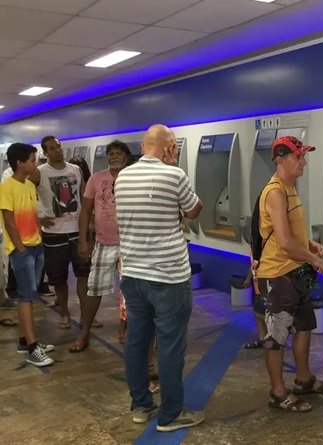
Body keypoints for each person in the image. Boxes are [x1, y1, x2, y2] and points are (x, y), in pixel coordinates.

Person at [114, 124, 204, 431]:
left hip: (132, 275)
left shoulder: (123, 177)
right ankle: (170, 415)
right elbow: (194, 211)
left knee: (137, 342)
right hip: (169, 276)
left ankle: (141, 405)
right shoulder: (174, 174)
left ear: (142, 147)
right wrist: (174, 170)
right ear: (169, 148)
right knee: (170, 346)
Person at [254, 135, 323, 413]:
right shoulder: (275, 192)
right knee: (276, 337)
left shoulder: (290, 189)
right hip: (278, 275)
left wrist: (309, 244)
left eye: (303, 156)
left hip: (296, 273)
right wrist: (313, 258)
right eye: (298, 157)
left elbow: (287, 233)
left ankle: (303, 379)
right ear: (280, 160)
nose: (303, 162)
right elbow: (285, 243)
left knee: (304, 326)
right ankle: (277, 392)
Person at [70, 141, 131, 352]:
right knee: (94, 289)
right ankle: (84, 332)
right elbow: (86, 211)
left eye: (118, 153)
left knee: (129, 291)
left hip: (130, 244)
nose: (114, 156)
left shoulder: (133, 177)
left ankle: (124, 327)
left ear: (126, 156)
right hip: (104, 243)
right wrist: (83, 241)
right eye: (111, 153)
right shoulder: (96, 179)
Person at [0, 143, 55, 366]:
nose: (36, 163)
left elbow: (28, 214)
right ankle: (33, 348)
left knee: (30, 296)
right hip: (22, 250)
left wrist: (40, 228)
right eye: (33, 160)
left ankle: (25, 340)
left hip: (36, 245)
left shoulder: (29, 186)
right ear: (20, 163)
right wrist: (21, 249)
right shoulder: (7, 187)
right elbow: (9, 222)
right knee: (26, 297)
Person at [30, 136, 90, 330]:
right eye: (52, 148)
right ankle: (64, 312)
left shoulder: (76, 170)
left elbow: (85, 197)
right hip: (53, 234)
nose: (58, 150)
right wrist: (37, 218)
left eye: (59, 147)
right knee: (59, 277)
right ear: (45, 152)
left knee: (84, 274)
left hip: (76, 232)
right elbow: (23, 196)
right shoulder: (39, 173)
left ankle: (86, 314)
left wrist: (89, 223)